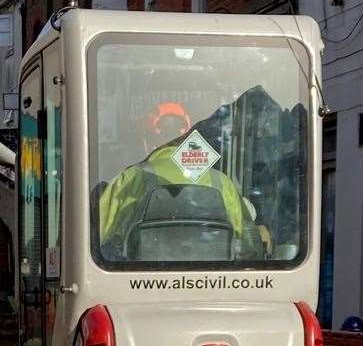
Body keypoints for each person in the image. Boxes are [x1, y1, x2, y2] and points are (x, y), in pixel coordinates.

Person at [96, 101, 259, 260]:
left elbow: (99, 236)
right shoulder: (222, 182)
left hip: (143, 282)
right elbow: (248, 244)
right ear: (188, 137)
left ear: (146, 140)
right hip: (213, 281)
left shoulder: (129, 179)